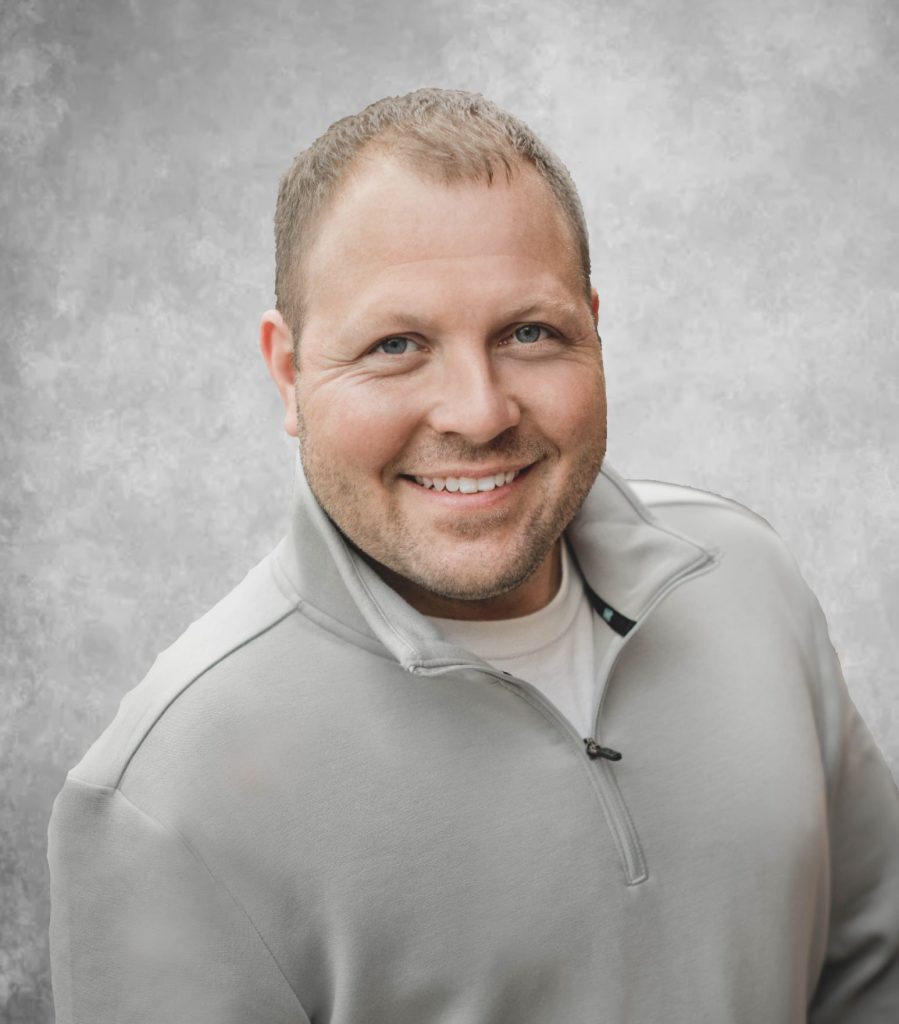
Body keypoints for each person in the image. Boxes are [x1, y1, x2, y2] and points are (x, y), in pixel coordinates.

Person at [48, 88, 899, 1023]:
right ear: (287, 372)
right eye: (396, 345)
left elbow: (873, 969)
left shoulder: (747, 579)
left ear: (593, 327)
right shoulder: (162, 798)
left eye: (528, 332)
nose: (479, 411)